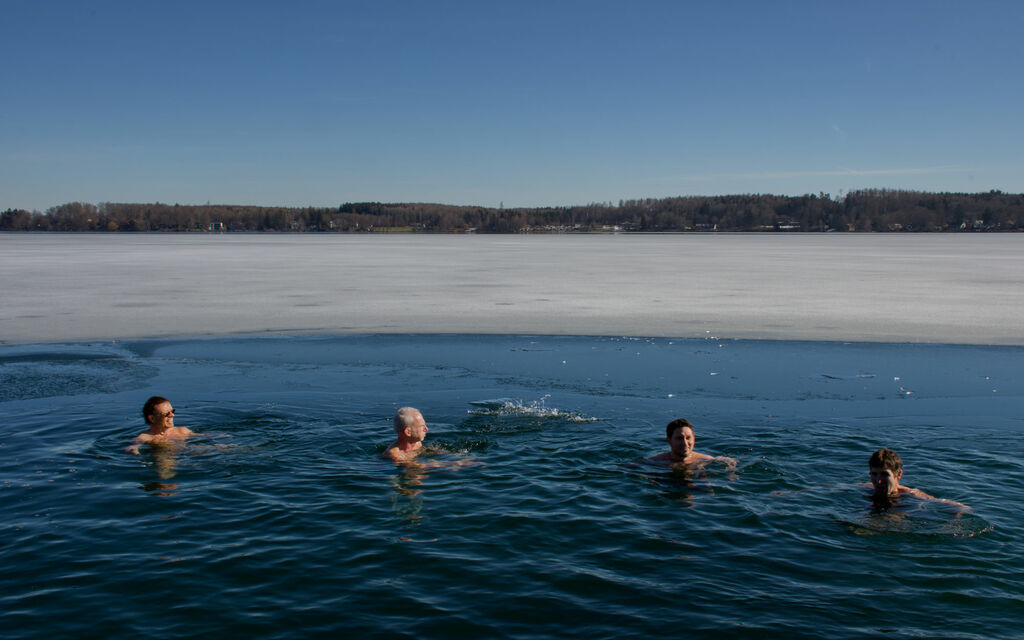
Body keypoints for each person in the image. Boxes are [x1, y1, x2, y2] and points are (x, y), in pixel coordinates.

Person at [866, 447, 967, 509]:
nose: (878, 481)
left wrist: (954, 521)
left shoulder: (911, 494)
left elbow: (962, 507)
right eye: (874, 474)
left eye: (884, 475)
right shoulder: (867, 488)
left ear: (899, 475)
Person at [649, 418, 737, 468]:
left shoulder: (703, 459)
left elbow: (727, 461)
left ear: (694, 439)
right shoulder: (657, 461)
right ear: (669, 441)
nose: (685, 443)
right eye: (679, 438)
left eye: (688, 438)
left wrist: (730, 471)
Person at [125, 396, 195, 455]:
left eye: (172, 411)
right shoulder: (146, 437)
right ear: (152, 418)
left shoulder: (182, 430)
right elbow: (131, 447)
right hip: (164, 456)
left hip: (187, 453)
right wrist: (135, 452)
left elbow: (203, 436)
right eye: (166, 414)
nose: (172, 415)